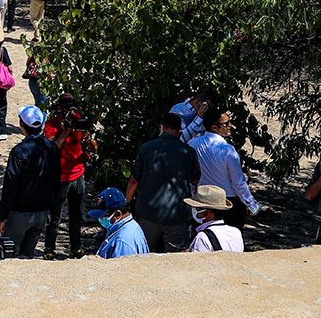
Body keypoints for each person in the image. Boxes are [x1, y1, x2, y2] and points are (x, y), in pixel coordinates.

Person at [127, 111, 201, 253]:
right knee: (176, 260)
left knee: (142, 254)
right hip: (177, 215)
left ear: (162, 127)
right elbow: (195, 179)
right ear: (179, 130)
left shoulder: (147, 148)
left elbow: (134, 180)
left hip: (148, 213)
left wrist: (126, 203)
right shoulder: (188, 152)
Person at [0, 105, 65, 258]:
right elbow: (56, 180)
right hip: (41, 213)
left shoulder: (19, 151)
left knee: (7, 256)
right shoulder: (52, 148)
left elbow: (10, 185)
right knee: (28, 256)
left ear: (21, 124)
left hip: (19, 213)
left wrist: (2, 216)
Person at [188, 107, 260, 228]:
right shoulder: (227, 150)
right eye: (226, 124)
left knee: (202, 235)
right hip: (227, 201)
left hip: (203, 198)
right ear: (214, 127)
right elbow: (238, 182)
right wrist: (252, 204)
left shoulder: (192, 144)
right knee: (230, 239)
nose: (230, 126)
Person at [44, 93, 95, 260]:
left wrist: (88, 137)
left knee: (76, 215)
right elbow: (52, 148)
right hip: (60, 176)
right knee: (54, 216)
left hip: (78, 173)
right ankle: (49, 248)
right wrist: (66, 130)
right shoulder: (52, 124)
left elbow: (94, 147)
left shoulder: (79, 119)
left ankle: (76, 248)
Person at [91, 186, 150, 258]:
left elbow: (121, 268)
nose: (100, 219)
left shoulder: (122, 242)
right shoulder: (129, 225)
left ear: (118, 214)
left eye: (103, 216)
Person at [184, 185, 245, 253]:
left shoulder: (202, 237)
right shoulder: (236, 232)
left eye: (197, 208)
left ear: (207, 213)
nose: (194, 210)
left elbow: (199, 262)